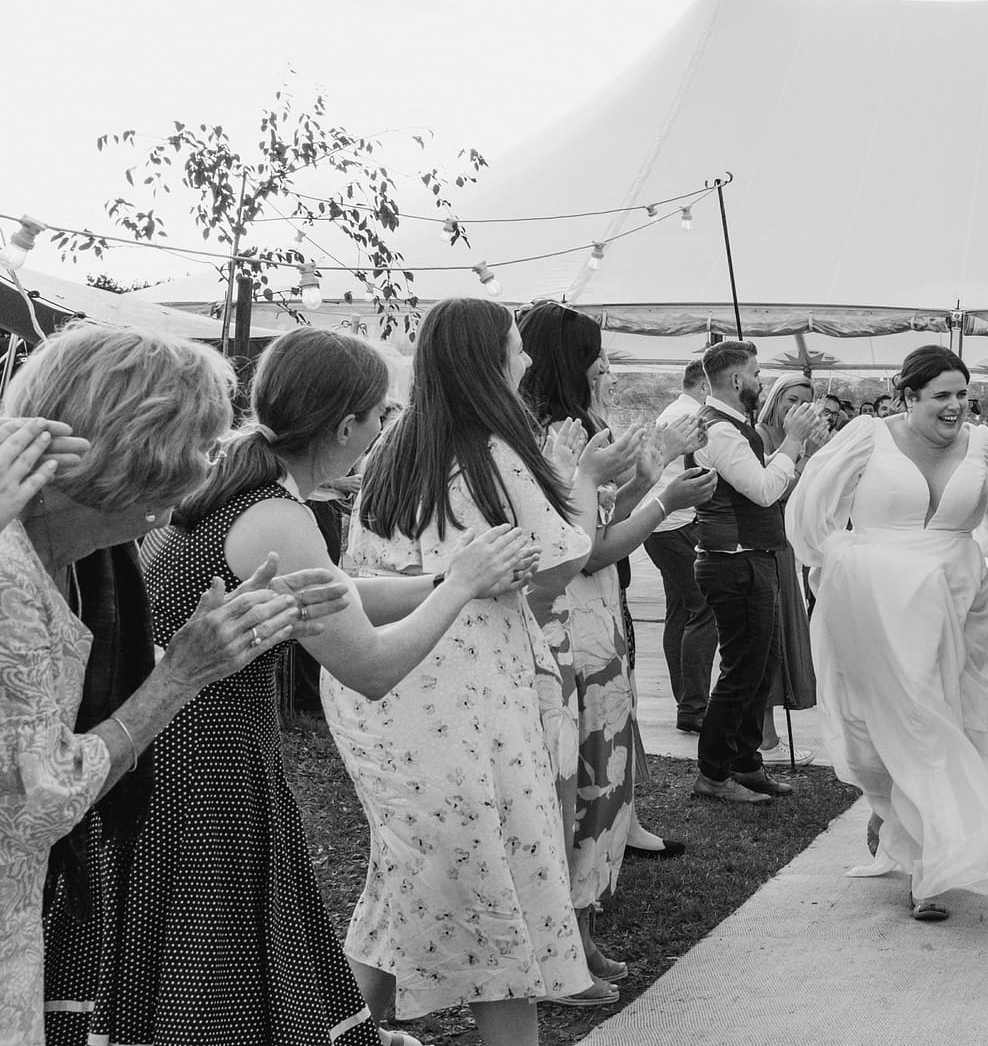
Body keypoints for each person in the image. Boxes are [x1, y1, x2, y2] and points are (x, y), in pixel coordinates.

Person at [43, 326, 535, 1046]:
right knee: (209, 972)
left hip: (177, 755)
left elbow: (331, 594)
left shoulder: (239, 486)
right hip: (201, 770)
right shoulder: (276, 515)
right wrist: (460, 587)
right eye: (381, 415)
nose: (384, 430)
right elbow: (369, 667)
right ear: (345, 428)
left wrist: (437, 581)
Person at [1, 325, 338, 1046]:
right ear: (146, 459)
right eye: (204, 445)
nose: (212, 463)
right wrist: (183, 673)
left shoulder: (79, 552)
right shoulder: (11, 575)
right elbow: (45, 797)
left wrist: (221, 634)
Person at [323, 298, 649, 1042]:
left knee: (414, 867)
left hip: (395, 668)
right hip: (468, 680)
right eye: (515, 346)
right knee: (499, 871)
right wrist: (589, 481)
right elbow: (562, 561)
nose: (526, 359)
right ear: (486, 360)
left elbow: (364, 568)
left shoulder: (395, 445)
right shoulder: (495, 451)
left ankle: (339, 1027)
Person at [787, 346, 988, 921]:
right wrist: (842, 566)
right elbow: (811, 511)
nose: (956, 406)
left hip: (957, 601)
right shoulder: (867, 438)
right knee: (896, 726)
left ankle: (923, 857)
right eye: (942, 395)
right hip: (875, 601)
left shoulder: (987, 446)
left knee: (949, 720)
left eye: (963, 394)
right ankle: (908, 834)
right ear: (909, 396)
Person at [516, 303, 711, 986]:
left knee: (604, 782)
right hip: (569, 627)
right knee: (586, 784)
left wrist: (647, 476)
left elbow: (598, 521)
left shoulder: (576, 432)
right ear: (570, 361)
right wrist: (663, 499)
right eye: (596, 356)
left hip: (597, 624)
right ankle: (566, 943)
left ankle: (583, 932)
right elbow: (589, 550)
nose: (606, 367)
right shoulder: (551, 440)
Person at [689, 341, 827, 804]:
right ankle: (714, 772)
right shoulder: (720, 430)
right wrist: (793, 442)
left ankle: (746, 763)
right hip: (734, 561)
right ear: (736, 380)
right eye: (755, 373)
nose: (759, 381)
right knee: (741, 673)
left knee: (759, 668)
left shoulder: (733, 427)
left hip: (750, 558)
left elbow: (760, 479)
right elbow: (764, 490)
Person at [641, 358, 718, 737]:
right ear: (704, 386)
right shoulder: (693, 416)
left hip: (659, 526)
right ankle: (694, 708)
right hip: (677, 523)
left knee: (681, 609)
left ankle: (687, 701)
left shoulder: (673, 411)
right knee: (705, 609)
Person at [755, 371, 819, 765]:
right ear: (775, 400)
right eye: (790, 399)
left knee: (781, 639)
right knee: (768, 642)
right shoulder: (761, 437)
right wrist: (806, 457)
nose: (797, 408)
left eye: (805, 402)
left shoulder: (798, 440)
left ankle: (767, 737)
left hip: (785, 547)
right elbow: (775, 491)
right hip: (766, 547)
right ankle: (765, 739)